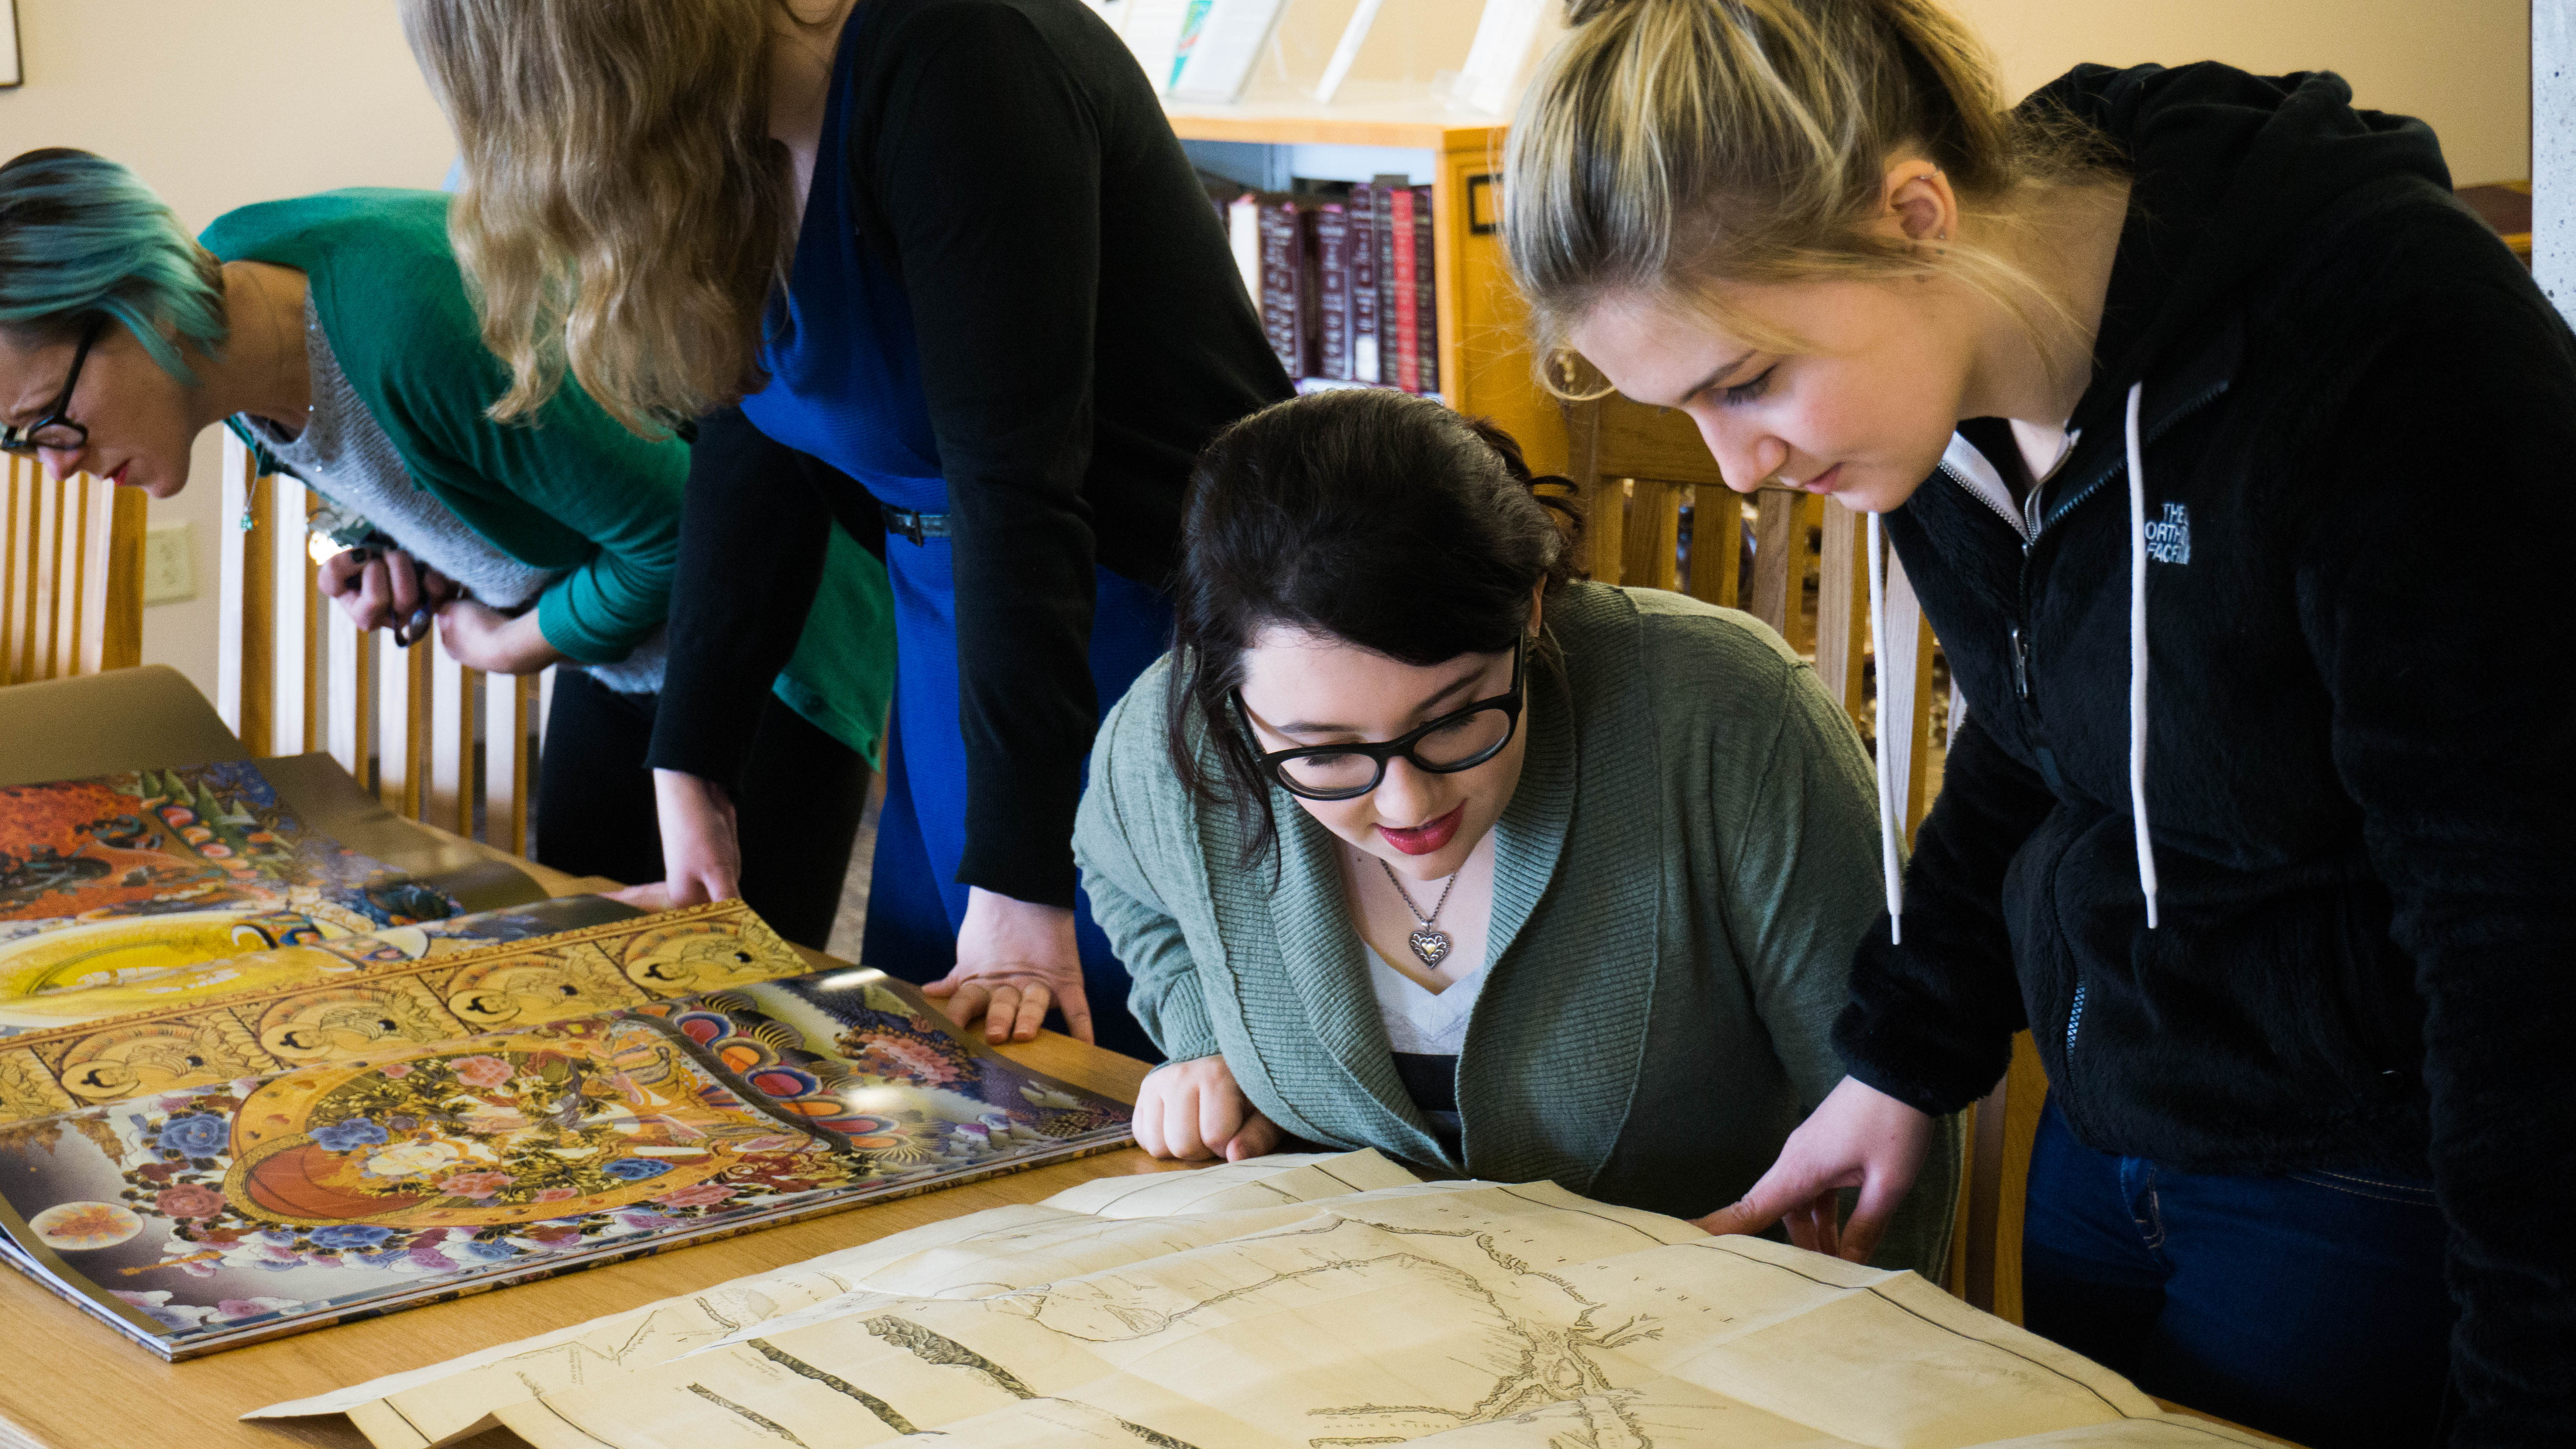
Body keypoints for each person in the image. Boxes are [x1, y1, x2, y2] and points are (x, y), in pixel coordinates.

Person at [1502, 1, 2576, 1444]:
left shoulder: (2387, 335)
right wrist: (1901, 1061)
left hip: (2355, 1166)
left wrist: (2533, 1392)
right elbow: (2037, 740)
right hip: (2106, 1125)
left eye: (1746, 381)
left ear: (1915, 213)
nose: (1742, 464)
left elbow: (2520, 914)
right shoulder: (1938, 395)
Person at [399, 0, 1291, 1061]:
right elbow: (753, 442)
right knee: (933, 1055)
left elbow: (1019, 494)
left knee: (1124, 1070)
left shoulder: (963, 58)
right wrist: (693, 765)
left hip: (1147, 630)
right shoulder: (729, 133)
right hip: (959, 631)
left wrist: (1021, 868)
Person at [1073, 388, 1960, 1272]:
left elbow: (1883, 1112)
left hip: (1721, 1344)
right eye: (1327, 752)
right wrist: (1203, 1031)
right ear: (1230, 694)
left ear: (1532, 606)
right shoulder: (1172, 745)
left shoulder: (1731, 720)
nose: (1408, 804)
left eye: (1456, 718)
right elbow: (1116, 874)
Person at [0, 152, 896, 946]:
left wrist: (505, 644)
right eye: (20, 439)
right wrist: (372, 539)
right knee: (590, 975)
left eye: (48, 419)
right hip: (622, 649)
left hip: (769, 647)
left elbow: (684, 537)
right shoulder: (225, 329)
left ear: (136, 301)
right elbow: (398, 456)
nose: (57, 465)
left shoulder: (401, 323)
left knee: (751, 1018)